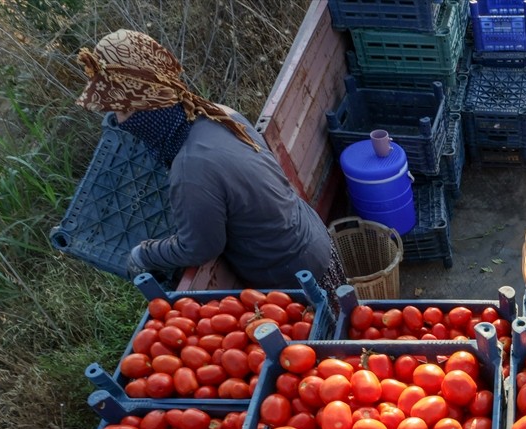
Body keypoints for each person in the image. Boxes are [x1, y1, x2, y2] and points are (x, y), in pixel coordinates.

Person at [74, 30, 345, 291]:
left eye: (120, 110)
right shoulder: (216, 113)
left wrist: (143, 255)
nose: (119, 121)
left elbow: (200, 247)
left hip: (293, 274)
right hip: (313, 237)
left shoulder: (191, 167)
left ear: (142, 105)